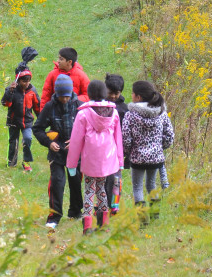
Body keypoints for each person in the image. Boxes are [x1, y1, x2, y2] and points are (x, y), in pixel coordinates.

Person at [67, 80, 124, 235]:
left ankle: (87, 226)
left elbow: (76, 141)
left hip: (90, 160)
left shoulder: (83, 114)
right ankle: (104, 225)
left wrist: (71, 164)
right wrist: (120, 161)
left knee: (89, 191)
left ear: (89, 94)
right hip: (107, 160)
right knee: (102, 191)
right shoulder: (114, 112)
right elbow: (118, 138)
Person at [33, 73, 83, 229]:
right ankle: (54, 217)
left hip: (75, 153)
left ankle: (75, 212)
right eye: (62, 97)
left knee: (75, 182)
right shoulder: (50, 107)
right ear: (57, 94)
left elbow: (88, 130)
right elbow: (38, 129)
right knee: (57, 182)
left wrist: (76, 142)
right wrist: (49, 143)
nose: (65, 99)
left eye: (67, 96)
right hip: (57, 152)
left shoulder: (80, 106)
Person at [122, 80, 175, 206]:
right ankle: (154, 215)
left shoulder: (130, 115)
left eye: (133, 94)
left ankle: (142, 217)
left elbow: (126, 137)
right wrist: (160, 147)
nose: (131, 96)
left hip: (137, 157)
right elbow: (169, 135)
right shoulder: (161, 113)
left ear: (138, 97)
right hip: (156, 157)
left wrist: (128, 151)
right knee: (151, 185)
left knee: (137, 187)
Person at [1, 69, 40, 171]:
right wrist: (10, 92)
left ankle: (26, 162)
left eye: (28, 81)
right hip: (13, 121)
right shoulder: (11, 90)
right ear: (18, 81)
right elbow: (6, 103)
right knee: (13, 142)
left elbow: (37, 107)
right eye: (24, 81)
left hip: (27, 122)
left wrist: (41, 119)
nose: (27, 83)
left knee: (28, 139)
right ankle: (11, 163)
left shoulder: (32, 91)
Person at [104, 73, 129, 215]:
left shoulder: (124, 109)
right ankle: (103, 204)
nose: (113, 96)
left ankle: (114, 204)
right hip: (102, 149)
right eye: (110, 93)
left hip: (118, 150)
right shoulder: (99, 105)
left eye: (116, 93)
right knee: (102, 177)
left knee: (115, 178)